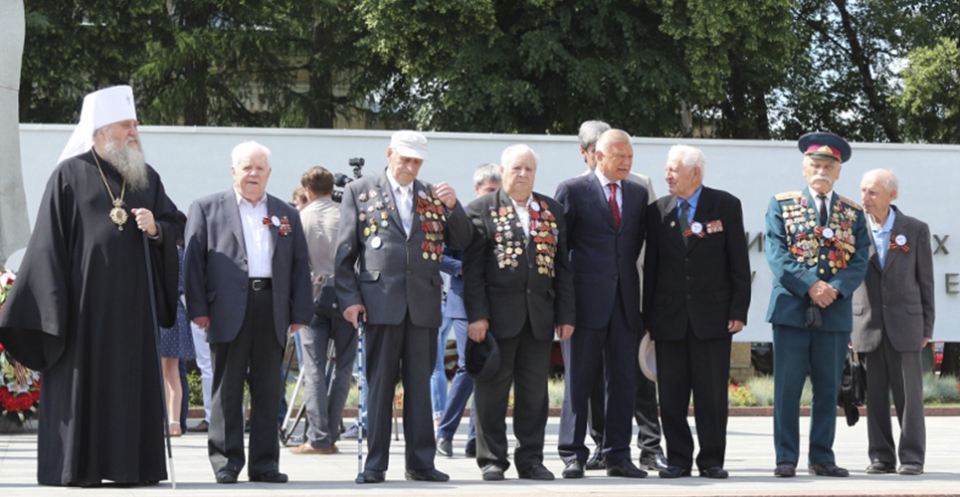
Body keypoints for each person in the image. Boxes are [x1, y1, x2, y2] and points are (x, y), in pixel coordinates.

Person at [0, 85, 182, 486]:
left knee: (128, 389)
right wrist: (51, 311)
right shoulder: (69, 175)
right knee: (83, 387)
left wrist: (156, 229)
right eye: (126, 125)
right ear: (101, 130)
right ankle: (79, 467)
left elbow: (175, 224)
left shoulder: (146, 178)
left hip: (133, 313)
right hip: (82, 312)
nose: (134, 132)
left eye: (135, 125)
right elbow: (47, 246)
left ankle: (130, 468)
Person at [335, 130, 472, 484]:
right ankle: (375, 464)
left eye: (417, 161)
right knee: (380, 385)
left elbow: (462, 240)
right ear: (389, 153)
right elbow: (345, 252)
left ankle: (421, 463)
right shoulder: (360, 191)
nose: (410, 167)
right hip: (379, 301)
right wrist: (350, 299)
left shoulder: (431, 194)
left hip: (423, 302)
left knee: (420, 386)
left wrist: (454, 207)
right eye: (405, 159)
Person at [183, 141, 313, 484]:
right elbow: (193, 263)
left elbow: (300, 264)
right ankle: (226, 462)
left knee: (269, 389)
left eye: (259, 168)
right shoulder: (206, 208)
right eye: (246, 167)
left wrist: (300, 311)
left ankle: (265, 464)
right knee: (227, 389)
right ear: (233, 171)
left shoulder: (286, 214)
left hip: (272, 306)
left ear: (269, 173)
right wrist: (198, 308)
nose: (253, 174)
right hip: (226, 308)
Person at [462, 146, 575, 481]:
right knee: (491, 392)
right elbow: (473, 271)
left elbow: (562, 267)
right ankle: (492, 459)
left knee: (534, 394)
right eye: (516, 168)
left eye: (529, 169)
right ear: (503, 171)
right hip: (496, 318)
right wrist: (477, 316)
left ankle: (531, 459)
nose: (523, 174)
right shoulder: (481, 209)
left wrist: (565, 314)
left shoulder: (551, 210)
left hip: (539, 316)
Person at [765, 132, 870, 478]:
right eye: (816, 165)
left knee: (827, 388)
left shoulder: (852, 213)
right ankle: (785, 457)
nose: (821, 171)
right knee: (788, 388)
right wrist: (810, 286)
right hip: (792, 309)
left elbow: (860, 258)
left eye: (829, 166)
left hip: (834, 310)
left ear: (838, 171)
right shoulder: (782, 205)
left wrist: (834, 289)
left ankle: (822, 456)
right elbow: (777, 254)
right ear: (804, 168)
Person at [643, 145, 751, 479]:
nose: (667, 176)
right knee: (671, 395)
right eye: (666, 169)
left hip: (713, 317)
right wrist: (648, 317)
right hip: (669, 318)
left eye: (674, 170)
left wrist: (739, 309)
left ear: (696, 173)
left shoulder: (725, 205)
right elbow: (652, 267)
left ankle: (711, 460)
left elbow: (738, 261)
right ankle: (678, 460)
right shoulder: (657, 211)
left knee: (712, 395)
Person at [555, 129, 649, 479]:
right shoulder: (572, 190)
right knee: (578, 382)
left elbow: (633, 246)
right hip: (583, 304)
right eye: (619, 156)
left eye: (630, 156)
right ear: (598, 156)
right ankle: (572, 454)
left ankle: (618, 455)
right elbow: (560, 252)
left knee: (623, 383)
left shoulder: (638, 193)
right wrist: (563, 308)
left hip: (624, 302)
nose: (626, 162)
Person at [576, 119, 667, 472]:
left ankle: (649, 446)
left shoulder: (639, 184)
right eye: (595, 150)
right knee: (596, 377)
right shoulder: (577, 188)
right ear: (587, 153)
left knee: (638, 375)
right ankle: (603, 444)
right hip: (594, 298)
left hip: (633, 292)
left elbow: (654, 242)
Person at [852, 169, 934, 476]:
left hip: (907, 324)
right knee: (874, 397)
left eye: (872, 192)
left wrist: (927, 326)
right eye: (863, 191)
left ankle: (912, 457)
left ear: (892, 195)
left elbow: (926, 280)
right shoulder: (854, 230)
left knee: (909, 397)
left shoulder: (915, 229)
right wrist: (848, 327)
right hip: (867, 323)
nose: (865, 198)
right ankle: (881, 457)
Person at [289, 166, 358, 455]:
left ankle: (318, 437)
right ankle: (331, 434)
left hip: (312, 297)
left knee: (314, 368)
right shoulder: (346, 214)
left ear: (307, 191)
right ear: (332, 188)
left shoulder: (299, 217)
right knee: (344, 367)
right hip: (347, 296)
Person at [435, 163, 502, 459]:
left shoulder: (504, 217)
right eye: (489, 190)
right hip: (464, 302)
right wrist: (463, 268)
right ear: (477, 189)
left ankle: (476, 439)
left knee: (488, 369)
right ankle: (445, 433)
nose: (493, 195)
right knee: (468, 367)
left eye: (498, 190)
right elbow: (439, 254)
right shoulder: (462, 216)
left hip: (495, 302)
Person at [160, 213, 195, 438]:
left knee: (164, 371)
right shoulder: (183, 253)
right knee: (172, 370)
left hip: (163, 310)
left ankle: (167, 419)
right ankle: (174, 421)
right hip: (178, 310)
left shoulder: (165, 253)